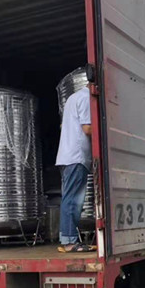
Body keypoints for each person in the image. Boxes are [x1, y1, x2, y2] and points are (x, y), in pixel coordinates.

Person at [55, 83, 94, 252]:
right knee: (73, 201)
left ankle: (68, 238)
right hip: (76, 157)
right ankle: (70, 242)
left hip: (69, 156)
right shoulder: (85, 98)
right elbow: (87, 128)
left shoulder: (73, 98)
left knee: (69, 199)